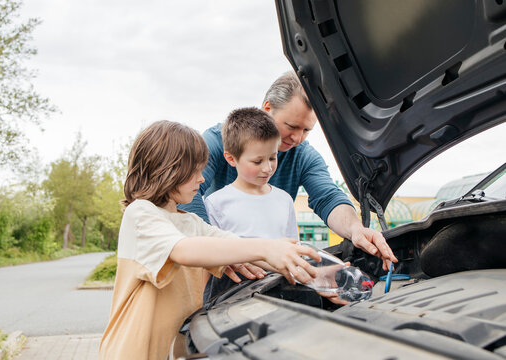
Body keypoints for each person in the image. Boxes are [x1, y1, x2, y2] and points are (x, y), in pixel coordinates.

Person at [98, 120, 321, 360]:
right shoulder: (140, 213)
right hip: (132, 353)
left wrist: (316, 274)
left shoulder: (190, 222)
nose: (202, 179)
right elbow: (183, 250)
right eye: (194, 171)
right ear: (167, 170)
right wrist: (265, 248)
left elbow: (234, 244)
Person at [179, 71, 397, 285]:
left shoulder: (303, 156)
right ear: (268, 109)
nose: (297, 138)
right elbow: (184, 191)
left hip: (276, 278)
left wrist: (355, 229)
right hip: (226, 274)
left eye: (306, 130)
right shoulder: (219, 141)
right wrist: (220, 251)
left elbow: (328, 196)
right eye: (291, 127)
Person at [203, 107, 299, 301]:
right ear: (231, 158)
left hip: (280, 296)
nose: (268, 168)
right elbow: (208, 262)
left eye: (272, 157)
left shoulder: (284, 200)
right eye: (257, 161)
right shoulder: (216, 203)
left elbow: (293, 250)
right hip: (230, 299)